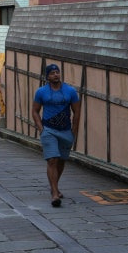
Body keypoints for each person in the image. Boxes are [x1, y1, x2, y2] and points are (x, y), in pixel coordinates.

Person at [31, 63, 81, 207]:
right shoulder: (41, 92)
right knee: (52, 160)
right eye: (52, 73)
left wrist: (74, 131)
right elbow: (35, 111)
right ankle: (54, 194)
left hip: (66, 131)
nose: (56, 75)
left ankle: (55, 187)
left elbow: (77, 111)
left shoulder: (70, 91)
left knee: (61, 161)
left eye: (57, 72)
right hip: (49, 130)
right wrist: (41, 129)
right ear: (47, 76)